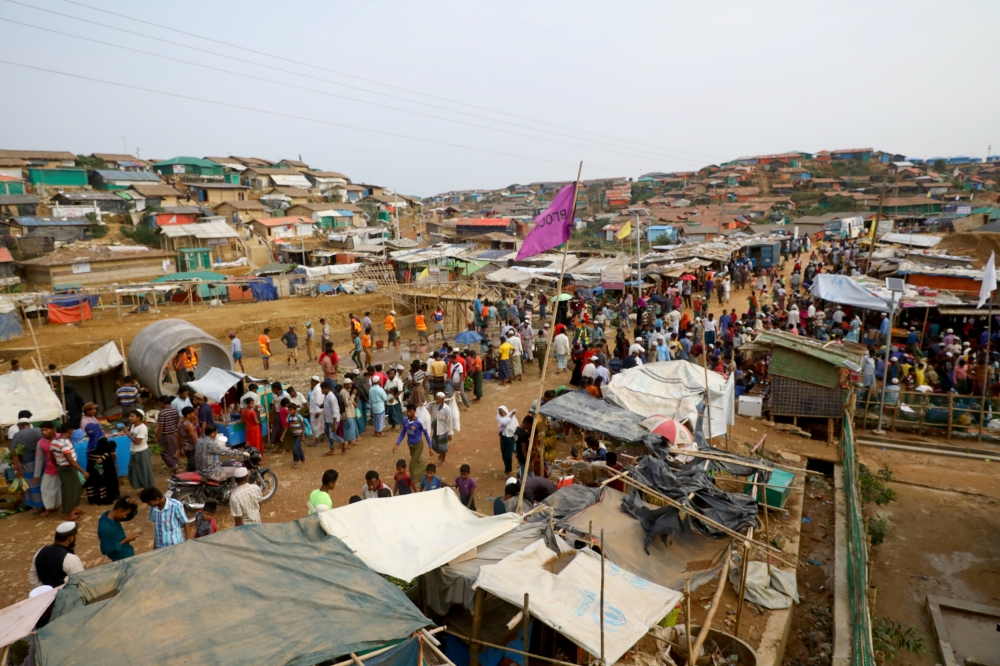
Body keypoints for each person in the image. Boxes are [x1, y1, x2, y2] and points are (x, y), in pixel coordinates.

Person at [29, 522, 84, 588]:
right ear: (70, 538)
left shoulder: (40, 551)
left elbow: (33, 576)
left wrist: (46, 591)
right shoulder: (71, 559)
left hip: (45, 595)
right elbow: (80, 583)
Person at [51, 422, 87, 520]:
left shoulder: (55, 441)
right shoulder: (64, 444)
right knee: (69, 491)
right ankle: (68, 512)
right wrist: (83, 471)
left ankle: (74, 508)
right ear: (70, 431)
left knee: (77, 488)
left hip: (64, 467)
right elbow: (70, 460)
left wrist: (57, 465)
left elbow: (51, 456)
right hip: (68, 468)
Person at [11, 417, 44, 511]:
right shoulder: (38, 431)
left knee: (33, 486)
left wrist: (15, 469)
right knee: (44, 483)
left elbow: (15, 454)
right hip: (43, 462)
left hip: (29, 464)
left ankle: (40, 506)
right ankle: (49, 504)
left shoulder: (17, 435)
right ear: (29, 424)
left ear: (19, 426)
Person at [394, 403, 432, 480]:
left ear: (414, 411)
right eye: (407, 411)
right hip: (410, 445)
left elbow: (426, 434)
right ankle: (423, 474)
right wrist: (397, 444)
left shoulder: (420, 422)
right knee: (418, 460)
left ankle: (413, 481)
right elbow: (402, 433)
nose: (408, 413)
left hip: (418, 445)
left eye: (410, 411)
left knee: (412, 464)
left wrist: (430, 447)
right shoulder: (405, 420)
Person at [85, 425, 120, 506]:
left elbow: (108, 451)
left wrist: (101, 459)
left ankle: (103, 498)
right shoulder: (92, 439)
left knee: (101, 480)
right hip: (91, 463)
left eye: (90, 431)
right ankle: (94, 498)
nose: (89, 433)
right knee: (91, 480)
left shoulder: (102, 439)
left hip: (101, 464)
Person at [98, 496, 140, 561]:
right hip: (121, 559)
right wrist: (126, 540)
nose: (125, 517)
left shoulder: (110, 515)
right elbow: (105, 550)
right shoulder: (105, 528)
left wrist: (134, 505)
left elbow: (128, 517)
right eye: (125, 514)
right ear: (119, 511)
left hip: (126, 553)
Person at [155, 395, 181, 473]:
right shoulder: (175, 411)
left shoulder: (162, 413)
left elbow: (161, 427)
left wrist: (157, 437)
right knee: (174, 450)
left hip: (166, 435)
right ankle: (176, 465)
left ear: (162, 403)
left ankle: (173, 465)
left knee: (164, 451)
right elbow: (177, 422)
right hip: (175, 434)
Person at [321, 381, 346, 455]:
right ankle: (332, 449)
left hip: (333, 420)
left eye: (322, 389)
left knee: (332, 435)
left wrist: (334, 424)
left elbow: (335, 411)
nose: (321, 391)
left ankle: (343, 442)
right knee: (328, 434)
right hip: (328, 419)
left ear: (326, 389)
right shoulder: (326, 396)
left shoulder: (332, 398)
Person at [431, 392, 453, 464]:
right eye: (436, 399)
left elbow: (449, 421)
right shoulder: (434, 405)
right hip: (436, 428)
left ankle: (443, 459)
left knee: (443, 446)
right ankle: (440, 453)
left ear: (443, 399)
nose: (436, 400)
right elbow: (426, 408)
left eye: (438, 399)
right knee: (435, 444)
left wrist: (450, 433)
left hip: (443, 430)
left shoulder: (447, 409)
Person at [497, 406, 518, 475]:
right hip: (504, 438)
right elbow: (504, 423)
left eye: (504, 412)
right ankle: (507, 469)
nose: (503, 414)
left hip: (511, 438)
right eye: (501, 413)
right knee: (504, 455)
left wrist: (511, 416)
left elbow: (515, 427)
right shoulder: (500, 418)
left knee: (509, 455)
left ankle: (508, 470)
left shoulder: (513, 418)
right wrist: (510, 416)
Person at [284, 403, 306, 468]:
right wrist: (283, 435)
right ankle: (303, 459)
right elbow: (287, 426)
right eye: (289, 410)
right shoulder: (289, 416)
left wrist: (303, 436)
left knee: (295, 448)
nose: (290, 412)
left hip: (299, 434)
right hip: (294, 434)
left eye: (291, 410)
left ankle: (298, 460)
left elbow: (303, 426)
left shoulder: (299, 416)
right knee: (298, 447)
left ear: (295, 410)